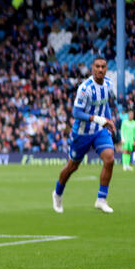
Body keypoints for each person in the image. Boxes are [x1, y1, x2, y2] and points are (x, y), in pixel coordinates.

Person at [53, 56, 118, 213]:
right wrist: (98, 119)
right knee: (72, 166)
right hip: (82, 133)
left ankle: (101, 199)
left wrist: (107, 120)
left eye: (103, 66)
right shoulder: (85, 88)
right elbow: (76, 112)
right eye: (97, 66)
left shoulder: (109, 84)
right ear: (92, 68)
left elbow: (105, 105)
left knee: (109, 159)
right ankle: (57, 193)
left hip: (99, 131)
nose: (100, 69)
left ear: (106, 69)